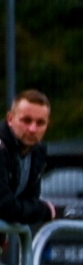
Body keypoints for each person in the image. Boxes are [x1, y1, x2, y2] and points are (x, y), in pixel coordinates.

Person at [0, 89, 57, 226]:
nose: (32, 129)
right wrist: (44, 210)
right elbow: (4, 206)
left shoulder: (38, 151)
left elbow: (30, 200)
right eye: (26, 120)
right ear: (10, 119)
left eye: (40, 123)